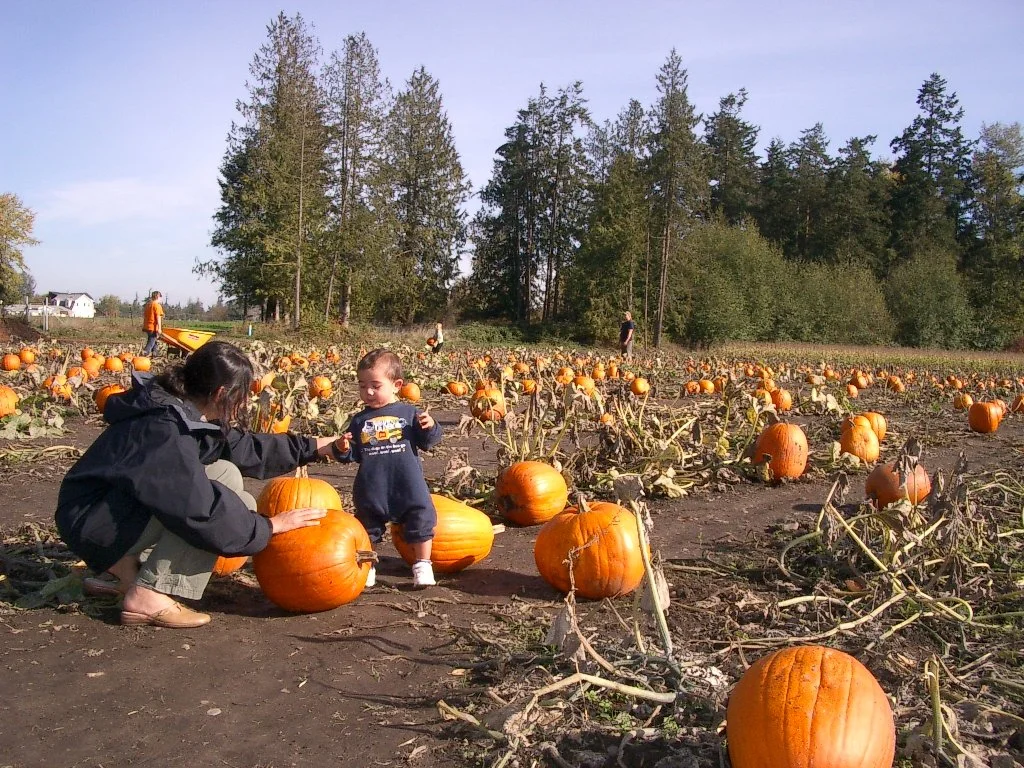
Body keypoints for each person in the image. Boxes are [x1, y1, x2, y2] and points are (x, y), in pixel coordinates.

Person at [55, 341, 345, 628]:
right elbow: (199, 510)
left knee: (225, 473)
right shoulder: (164, 429)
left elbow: (245, 448)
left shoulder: (185, 409)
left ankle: (123, 571)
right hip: (94, 526)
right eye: (241, 396)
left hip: (102, 510)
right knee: (234, 507)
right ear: (221, 393)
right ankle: (148, 595)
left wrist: (316, 447)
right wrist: (270, 527)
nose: (244, 404)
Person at [334, 349, 442, 588]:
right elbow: (353, 453)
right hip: (372, 486)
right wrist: (343, 448)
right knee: (367, 527)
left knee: (421, 521)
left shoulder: (409, 413)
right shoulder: (359, 420)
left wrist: (430, 426)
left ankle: (423, 564)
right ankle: (368, 565)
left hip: (408, 484)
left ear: (397, 385)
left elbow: (429, 442)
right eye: (362, 386)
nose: (368, 392)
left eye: (375, 385)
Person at [141, 290, 164, 356]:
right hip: (153, 327)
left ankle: (155, 353)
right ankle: (144, 354)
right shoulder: (157, 306)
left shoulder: (148, 305)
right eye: (160, 297)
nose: (161, 299)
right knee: (151, 342)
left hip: (147, 326)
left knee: (153, 340)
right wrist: (159, 328)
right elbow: (158, 317)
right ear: (157, 297)